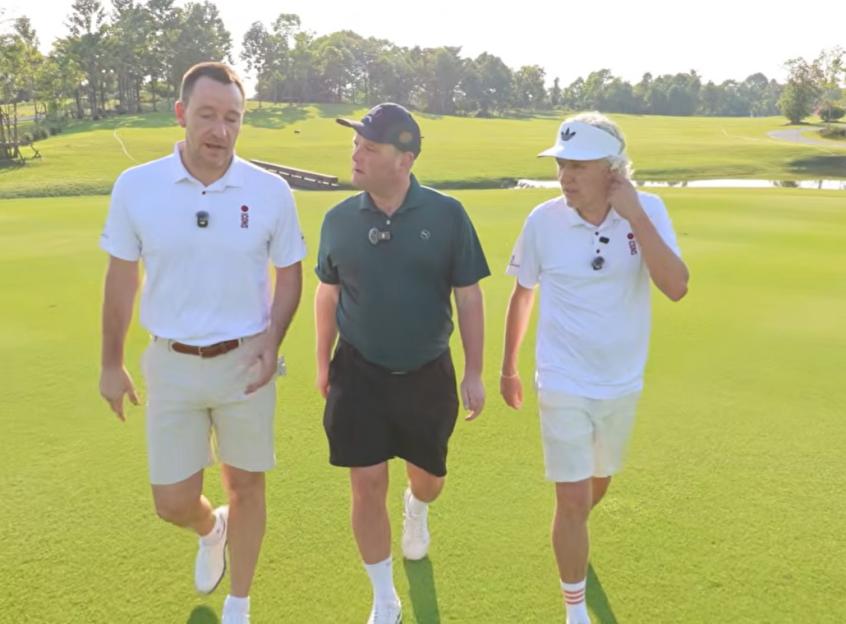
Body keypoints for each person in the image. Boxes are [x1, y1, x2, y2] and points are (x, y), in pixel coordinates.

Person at [98, 61, 305, 624]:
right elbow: (121, 277)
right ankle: (210, 529)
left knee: (247, 486)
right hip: (170, 362)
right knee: (171, 502)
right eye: (208, 115)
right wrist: (111, 363)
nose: (220, 130)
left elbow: (290, 274)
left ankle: (239, 603)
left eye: (232, 118)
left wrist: (271, 340)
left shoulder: (270, 191)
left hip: (246, 362)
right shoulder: (137, 186)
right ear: (182, 114)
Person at [500, 112, 689, 624]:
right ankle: (574, 608)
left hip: (621, 379)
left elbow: (675, 286)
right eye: (562, 164)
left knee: (594, 487)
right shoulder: (542, 220)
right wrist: (508, 368)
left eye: (578, 166)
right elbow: (523, 294)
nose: (565, 177)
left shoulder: (648, 210)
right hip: (561, 377)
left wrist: (637, 218)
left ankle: (574, 526)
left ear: (613, 170)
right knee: (570, 498)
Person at [314, 102, 490, 624]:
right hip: (359, 372)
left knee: (428, 478)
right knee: (366, 484)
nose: (356, 155)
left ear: (405, 158)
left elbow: (470, 296)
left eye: (369, 148)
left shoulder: (447, 214)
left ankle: (418, 508)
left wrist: (475, 371)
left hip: (427, 373)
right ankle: (384, 597)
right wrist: (322, 361)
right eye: (355, 145)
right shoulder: (339, 220)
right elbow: (327, 294)